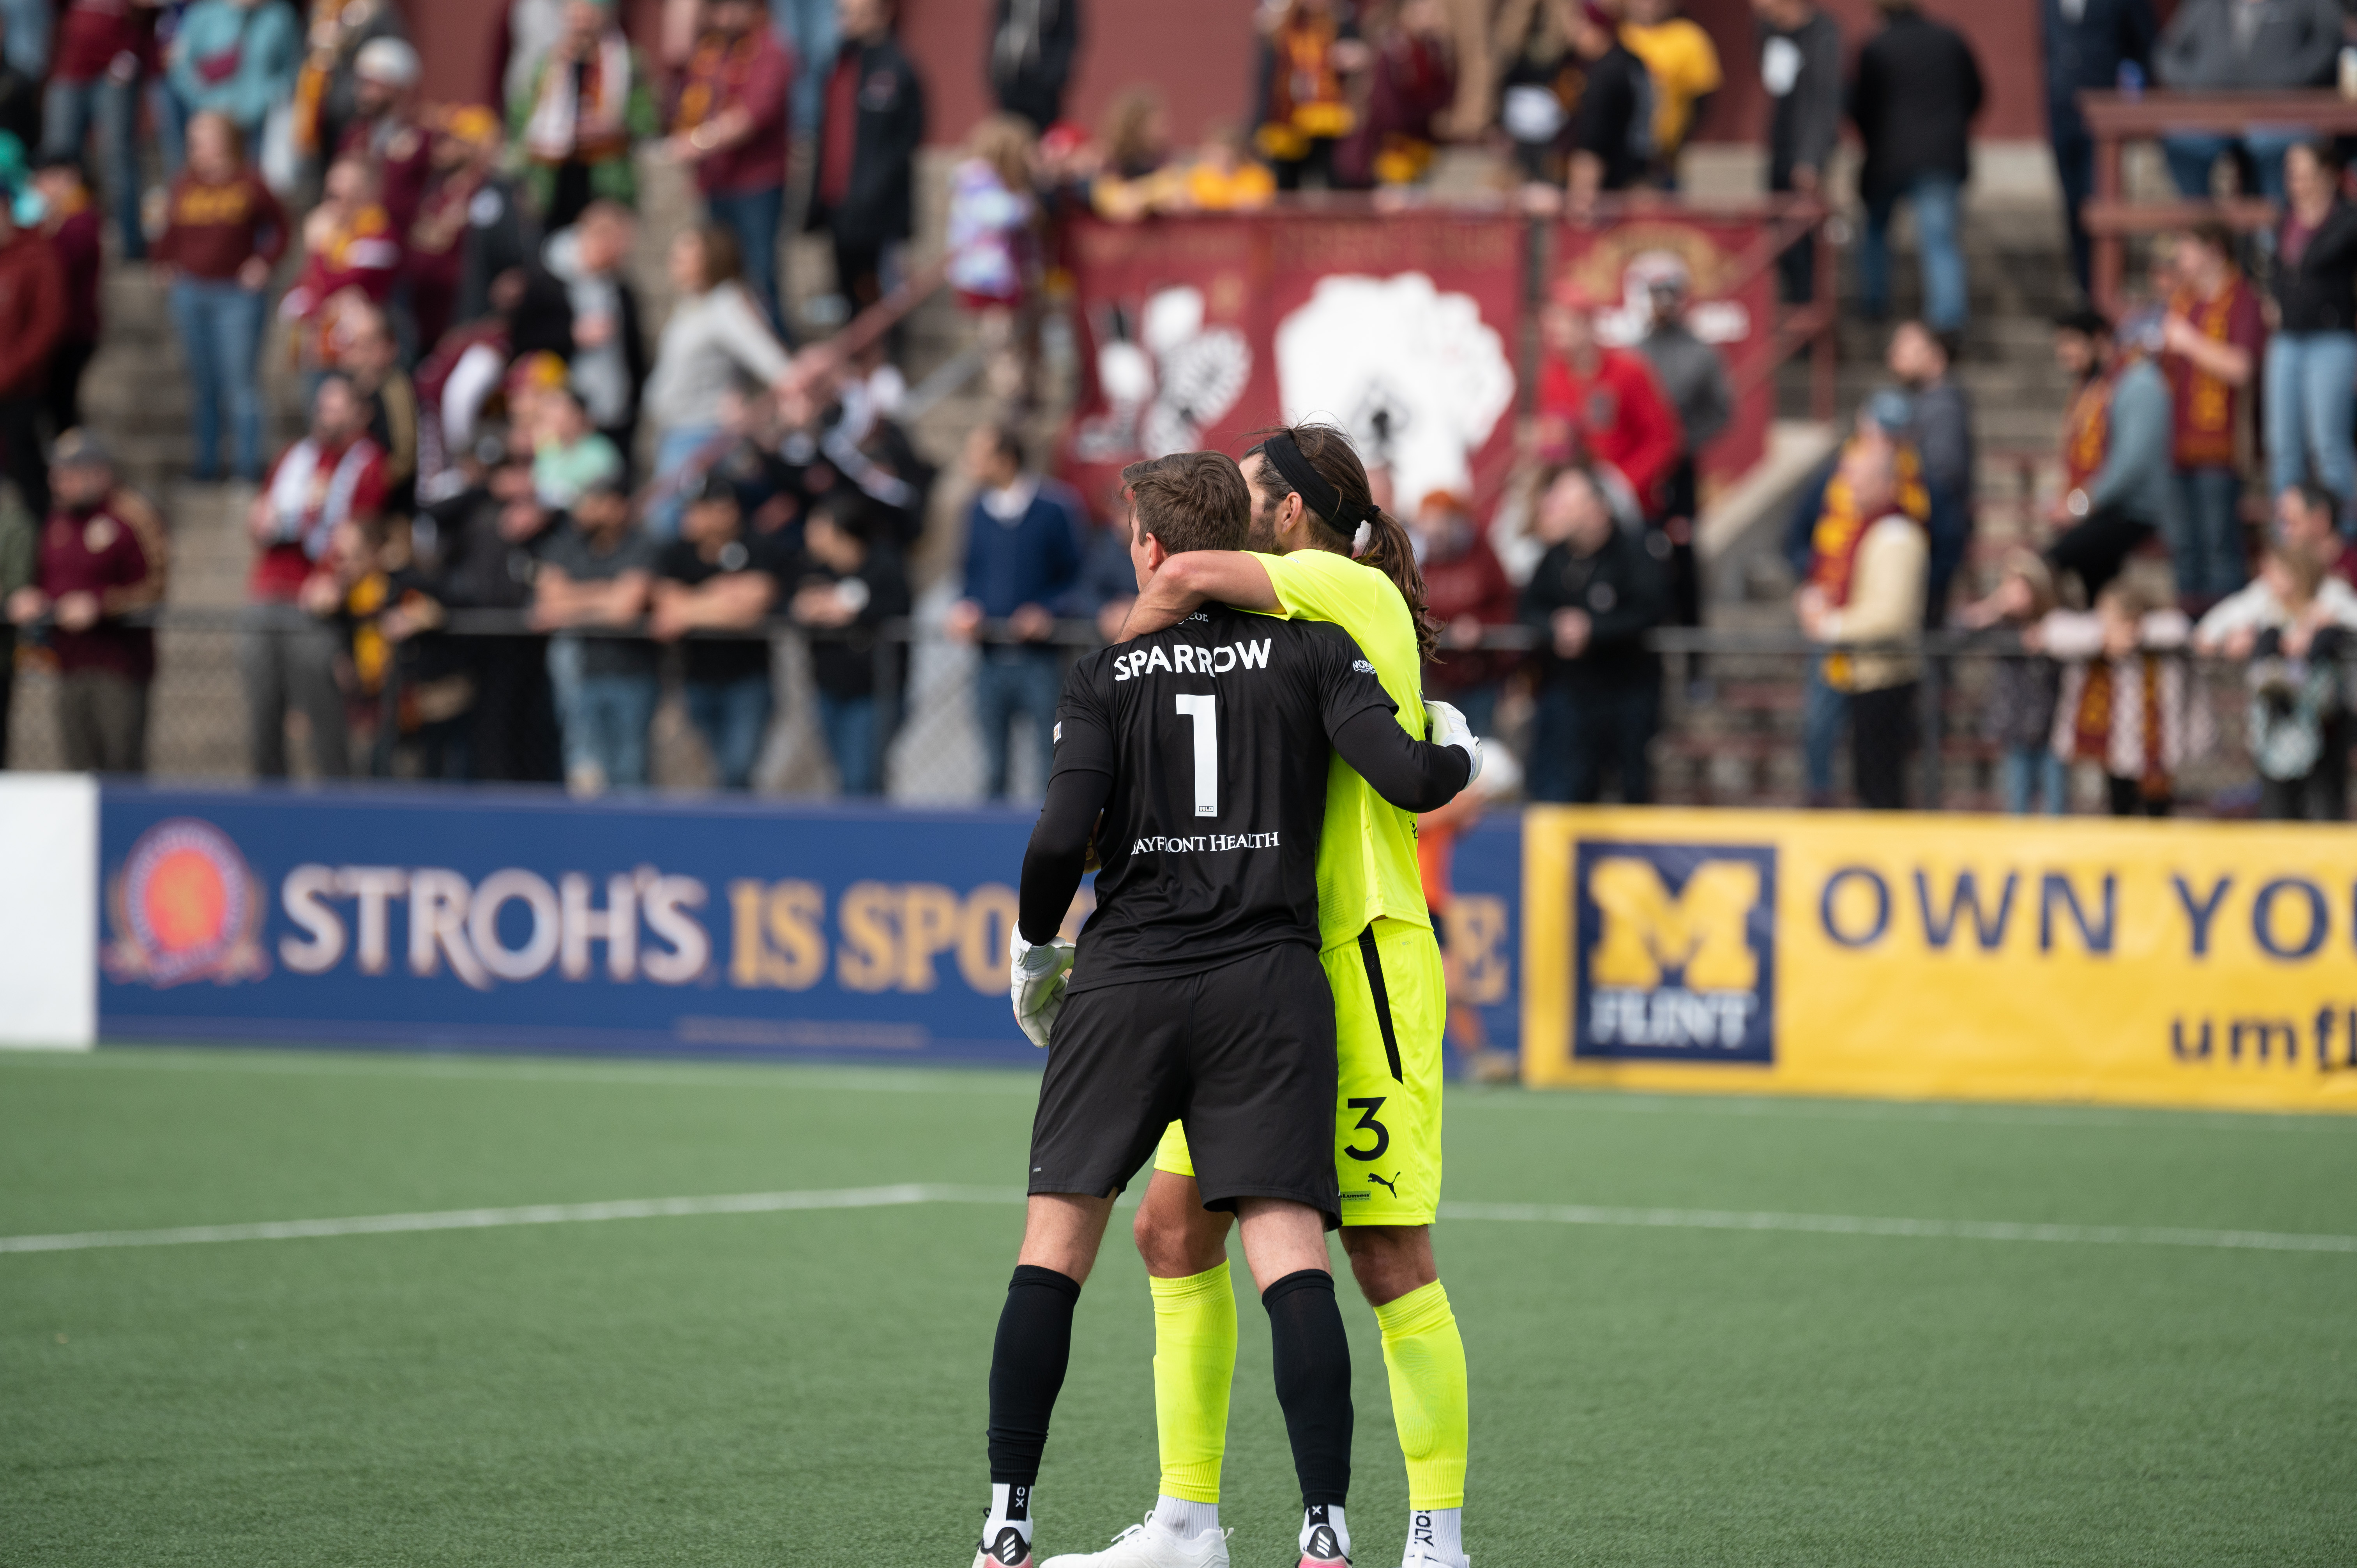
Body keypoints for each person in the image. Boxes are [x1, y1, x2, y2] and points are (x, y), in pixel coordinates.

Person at [1032, 433, 1480, 1568]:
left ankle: (1435, 1539)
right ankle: (1187, 1523)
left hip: (1358, 958)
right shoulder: (1278, 619)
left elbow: (1176, 571)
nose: (1237, 499)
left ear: (1289, 515)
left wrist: (1092, 709)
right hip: (1254, 973)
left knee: (1386, 1256)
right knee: (1172, 1229)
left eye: (1253, 485)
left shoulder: (1344, 589)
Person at [247, 376, 387, 778]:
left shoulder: (368, 462)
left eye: (337, 406)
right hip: (269, 590)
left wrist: (337, 581)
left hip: (317, 603)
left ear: (360, 414)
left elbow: (364, 535)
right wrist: (259, 520)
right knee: (263, 709)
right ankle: (267, 801)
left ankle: (336, 799)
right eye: (322, 405)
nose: (325, 414)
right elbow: (264, 513)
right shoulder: (294, 457)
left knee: (324, 715)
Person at [6, 431, 167, 773]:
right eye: (57, 475)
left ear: (98, 474)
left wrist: (101, 605)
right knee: (78, 770)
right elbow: (49, 579)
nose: (58, 483)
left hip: (118, 665)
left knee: (120, 767)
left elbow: (155, 585)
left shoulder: (130, 515)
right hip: (69, 665)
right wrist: (36, 599)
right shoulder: (58, 521)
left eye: (68, 475)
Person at [948, 424, 1084, 799]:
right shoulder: (975, 510)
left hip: (1041, 660)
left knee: (1049, 761)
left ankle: (1050, 850)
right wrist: (966, 608)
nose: (971, 463)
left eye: (980, 454)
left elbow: (1078, 577)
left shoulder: (1056, 507)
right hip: (989, 655)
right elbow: (969, 576)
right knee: (992, 768)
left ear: (1005, 460)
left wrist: (1048, 612)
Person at [1521, 463, 1670, 803]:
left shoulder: (1633, 552)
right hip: (1576, 692)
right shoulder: (1556, 558)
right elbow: (1530, 609)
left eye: (1571, 504)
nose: (1562, 512)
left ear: (1596, 508)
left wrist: (1593, 629)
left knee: (1633, 783)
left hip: (1628, 689)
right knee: (1575, 784)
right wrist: (1556, 627)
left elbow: (1651, 610)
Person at [1794, 435, 1928, 809]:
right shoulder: (1868, 530)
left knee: (1880, 784)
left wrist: (1830, 626)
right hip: (1862, 672)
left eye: (1860, 478)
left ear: (1886, 484)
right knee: (1866, 778)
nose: (1849, 486)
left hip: (1884, 675)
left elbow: (1891, 616)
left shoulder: (1896, 535)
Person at [154, 110, 286, 484]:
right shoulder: (184, 184)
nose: (194, 143)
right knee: (203, 384)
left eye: (203, 135)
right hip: (191, 291)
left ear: (225, 140)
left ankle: (246, 467)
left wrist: (263, 263)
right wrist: (163, 262)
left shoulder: (250, 183)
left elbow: (282, 228)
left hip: (235, 297)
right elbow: (169, 230)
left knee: (240, 385)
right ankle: (207, 464)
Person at [642, 222, 795, 535]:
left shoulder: (727, 305)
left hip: (701, 430)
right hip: (675, 430)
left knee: (665, 520)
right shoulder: (692, 304)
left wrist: (760, 409)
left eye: (685, 254)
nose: (674, 260)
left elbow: (773, 363)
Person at [1848, 0, 1983, 334]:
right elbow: (1977, 92)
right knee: (1939, 239)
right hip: (1941, 155)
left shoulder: (1876, 46)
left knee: (1877, 231)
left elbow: (1860, 106)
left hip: (1887, 156)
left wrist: (1874, 139)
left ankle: (1873, 305)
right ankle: (1947, 320)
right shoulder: (1950, 39)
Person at [664, 0, 795, 335]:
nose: (723, 16)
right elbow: (686, 101)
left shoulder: (770, 50)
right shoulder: (709, 53)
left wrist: (700, 143)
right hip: (716, 183)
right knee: (720, 275)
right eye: (716, 8)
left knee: (761, 273)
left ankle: (776, 352)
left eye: (731, 7)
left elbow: (754, 116)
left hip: (757, 183)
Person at [649, 472, 784, 790]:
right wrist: (721, 599)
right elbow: (667, 607)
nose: (689, 517)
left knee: (738, 768)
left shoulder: (758, 546)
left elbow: (752, 608)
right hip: (697, 677)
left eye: (698, 508)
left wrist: (692, 606)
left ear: (725, 510)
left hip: (748, 679)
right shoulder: (676, 552)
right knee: (716, 767)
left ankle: (737, 835)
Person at [532, 475, 658, 793]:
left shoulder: (641, 545)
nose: (584, 510)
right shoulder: (568, 544)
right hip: (583, 674)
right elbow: (548, 604)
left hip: (633, 674)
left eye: (595, 502)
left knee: (630, 770)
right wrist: (606, 594)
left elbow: (625, 610)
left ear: (616, 507)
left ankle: (632, 840)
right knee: (587, 770)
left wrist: (574, 601)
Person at [2045, 305, 2175, 604]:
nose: (2064, 354)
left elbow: (2131, 464)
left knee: (2047, 565)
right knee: (2097, 583)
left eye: (2071, 343)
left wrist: (2077, 506)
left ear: (2100, 341)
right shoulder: (2090, 389)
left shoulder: (2136, 382)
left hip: (2134, 509)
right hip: (2101, 507)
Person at [2161, 224, 2263, 602]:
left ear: (2214, 250)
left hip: (2221, 448)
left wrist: (2190, 343)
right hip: (2178, 445)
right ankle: (2189, 645)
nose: (2180, 259)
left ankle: (2223, 645)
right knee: (2185, 549)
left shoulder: (2243, 300)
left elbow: (2241, 367)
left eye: (2187, 247)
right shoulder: (2183, 301)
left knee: (2220, 547)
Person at [1631, 252, 1732, 628]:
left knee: (1683, 554)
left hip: (1681, 472)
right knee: (1639, 552)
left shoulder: (1700, 354)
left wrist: (1682, 443)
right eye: (1657, 294)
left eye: (1671, 293)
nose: (1663, 302)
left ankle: (1694, 659)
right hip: (1642, 471)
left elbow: (1722, 411)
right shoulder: (1635, 353)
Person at [2153, 0, 2340, 201]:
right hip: (2213, 111)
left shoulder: (2307, 5)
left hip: (2281, 111)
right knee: (2183, 144)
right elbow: (2167, 55)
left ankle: (2276, 227)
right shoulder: (2205, 5)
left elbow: (2330, 42)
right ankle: (2203, 227)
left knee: (2277, 148)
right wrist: (2197, 84)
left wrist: (2292, 79)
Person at [806, 0, 923, 320]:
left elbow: (907, 140)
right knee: (849, 296)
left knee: (881, 295)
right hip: (838, 201)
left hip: (877, 208)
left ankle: (886, 364)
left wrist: (873, 190)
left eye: (859, 13)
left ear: (882, 15)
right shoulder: (838, 66)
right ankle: (859, 365)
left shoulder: (896, 68)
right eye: (844, 13)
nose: (849, 21)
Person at [2039, 578, 2195, 816]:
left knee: (2158, 810)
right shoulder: (2094, 633)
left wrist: (2133, 633)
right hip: (2115, 741)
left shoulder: (2159, 629)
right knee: (2119, 806)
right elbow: (2052, 631)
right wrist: (2105, 636)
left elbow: (2179, 629)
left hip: (2155, 740)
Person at [511, 201, 648, 463]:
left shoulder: (620, 290)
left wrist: (633, 405)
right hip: (560, 423)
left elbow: (635, 354)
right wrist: (572, 336)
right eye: (618, 245)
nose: (622, 254)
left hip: (614, 415)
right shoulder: (547, 282)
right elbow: (523, 339)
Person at [789, 491, 906, 794]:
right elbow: (785, 604)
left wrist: (852, 612)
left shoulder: (884, 565)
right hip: (828, 687)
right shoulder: (811, 568)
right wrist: (804, 608)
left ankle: (871, 837)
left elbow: (898, 606)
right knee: (842, 774)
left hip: (874, 689)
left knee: (862, 776)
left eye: (819, 528)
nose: (810, 536)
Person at [2264, 141, 2357, 523]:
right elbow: (2274, 271)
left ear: (2327, 175)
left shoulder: (2347, 221)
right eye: (2291, 173)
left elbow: (2323, 265)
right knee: (2284, 446)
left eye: (2303, 172)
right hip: (2288, 336)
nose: (2296, 182)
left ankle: (2343, 538)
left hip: (2332, 337)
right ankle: (2290, 538)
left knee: (2329, 444)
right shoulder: (2283, 220)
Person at [1535, 284, 1682, 520]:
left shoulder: (1628, 371)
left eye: (1562, 323)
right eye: (1550, 326)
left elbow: (1664, 440)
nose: (1554, 334)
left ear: (1587, 324)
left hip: (1632, 505)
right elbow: (1558, 444)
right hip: (1581, 507)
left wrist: (1623, 485)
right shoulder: (1553, 377)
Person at [2042, 0, 2155, 297]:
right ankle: (2084, 287)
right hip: (2062, 111)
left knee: (2102, 198)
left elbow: (2143, 43)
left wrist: (2133, 94)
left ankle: (2105, 289)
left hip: (2106, 111)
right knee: (2073, 204)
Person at [513, 0, 656, 230]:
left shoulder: (626, 63)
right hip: (553, 179)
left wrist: (614, 127)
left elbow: (648, 122)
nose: (581, 16)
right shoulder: (548, 63)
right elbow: (520, 119)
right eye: (574, 8)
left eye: (589, 9)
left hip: (605, 178)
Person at [2238, 543, 2348, 821]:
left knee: (2324, 804)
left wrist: (2315, 632)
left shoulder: (2327, 610)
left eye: (2277, 573)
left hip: (2319, 720)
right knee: (2279, 808)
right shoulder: (2268, 616)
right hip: (2278, 722)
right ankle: (2276, 678)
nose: (2269, 580)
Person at [1958, 548, 2067, 814]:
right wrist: (1994, 606)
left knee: (2057, 804)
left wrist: (2046, 640)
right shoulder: (2002, 626)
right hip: (2016, 730)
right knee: (2017, 802)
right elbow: (1957, 633)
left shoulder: (2055, 624)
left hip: (2052, 728)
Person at [42, 0, 150, 257]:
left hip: (112, 70)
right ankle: (62, 239)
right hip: (70, 69)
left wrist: (128, 59)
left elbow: (147, 18)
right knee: (59, 159)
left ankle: (130, 243)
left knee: (117, 156)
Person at [1752, 0, 1841, 303]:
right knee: (1779, 233)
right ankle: (1794, 310)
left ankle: (1809, 312)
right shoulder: (1769, 32)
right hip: (1780, 145)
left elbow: (1825, 100)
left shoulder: (1823, 34)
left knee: (1804, 237)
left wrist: (1811, 159)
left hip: (1804, 153)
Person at [1413, 487, 1519, 739]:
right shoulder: (1423, 563)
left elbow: (1507, 606)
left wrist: (1479, 626)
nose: (1435, 534)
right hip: (1437, 678)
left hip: (1481, 676)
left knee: (1479, 745)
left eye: (1442, 525)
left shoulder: (1482, 557)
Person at [945, 115, 1035, 408]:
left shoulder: (986, 180)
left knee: (1011, 337)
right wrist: (1026, 203)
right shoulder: (977, 179)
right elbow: (999, 213)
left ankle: (1018, 390)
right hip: (987, 276)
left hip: (1002, 274)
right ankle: (1010, 394)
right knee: (1001, 339)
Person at [1885, 320, 1972, 620]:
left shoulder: (1942, 407)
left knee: (1929, 625)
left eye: (1906, 346)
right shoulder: (1922, 403)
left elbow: (1942, 474)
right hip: (1930, 533)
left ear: (1936, 355)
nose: (1895, 354)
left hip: (1935, 536)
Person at [1334, 0, 1454, 189]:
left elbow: (1444, 93)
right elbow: (1386, 107)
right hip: (1388, 150)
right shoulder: (1394, 50)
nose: (1431, 15)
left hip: (1419, 146)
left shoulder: (1434, 50)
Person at [0, 185, 64, 524]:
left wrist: (10, 370)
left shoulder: (36, 256)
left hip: (22, 388)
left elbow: (48, 324)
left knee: (29, 478)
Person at [1254, 0, 1366, 192]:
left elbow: (1360, 62)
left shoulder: (1340, 24)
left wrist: (1358, 58)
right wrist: (1259, 123)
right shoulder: (1282, 28)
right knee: (1286, 182)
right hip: (1288, 117)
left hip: (1329, 117)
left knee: (1337, 178)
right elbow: (1267, 79)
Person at [166, 0, 302, 152]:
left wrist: (265, 101)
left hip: (259, 127)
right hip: (209, 126)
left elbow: (292, 70)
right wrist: (206, 105)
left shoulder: (281, 16)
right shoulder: (202, 14)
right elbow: (180, 70)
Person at [30, 157, 100, 441]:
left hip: (73, 328)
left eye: (45, 179)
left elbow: (59, 264)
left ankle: (75, 467)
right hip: (63, 327)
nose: (39, 188)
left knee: (63, 407)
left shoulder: (80, 220)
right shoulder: (56, 218)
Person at [1562, 0, 1650, 214]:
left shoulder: (1604, 75)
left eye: (1582, 25)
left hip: (1609, 191)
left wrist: (1581, 196)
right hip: (1640, 176)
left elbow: (1592, 144)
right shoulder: (1633, 62)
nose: (1575, 33)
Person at [1620, 0, 1719, 188]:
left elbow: (1702, 104)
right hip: (1615, 155)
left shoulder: (1689, 37)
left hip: (1665, 158)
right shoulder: (1615, 35)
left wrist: (1679, 143)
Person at [339, 36, 428, 232]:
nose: (365, 93)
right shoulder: (355, 136)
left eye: (374, 85)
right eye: (362, 84)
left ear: (399, 88)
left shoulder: (421, 139)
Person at [986, 0, 1078, 132]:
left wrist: (1053, 76)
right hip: (1011, 76)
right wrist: (993, 70)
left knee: (1045, 137)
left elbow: (1068, 33)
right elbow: (999, 26)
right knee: (1011, 134)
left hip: (1044, 83)